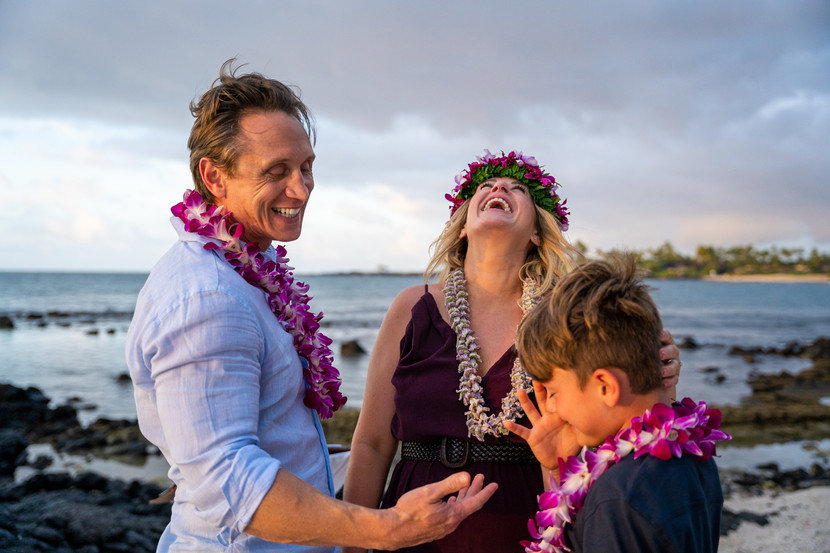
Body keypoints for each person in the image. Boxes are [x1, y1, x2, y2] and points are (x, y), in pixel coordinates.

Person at [125, 60, 497, 553]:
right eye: (276, 171)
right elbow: (227, 481)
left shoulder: (245, 272)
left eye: (306, 167)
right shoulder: (209, 297)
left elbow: (254, 437)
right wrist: (388, 528)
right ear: (214, 176)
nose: (301, 189)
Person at [342, 151, 683, 552]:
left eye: (518, 188)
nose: (499, 186)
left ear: (537, 232)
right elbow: (372, 444)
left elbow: (617, 420)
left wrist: (659, 381)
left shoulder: (567, 317)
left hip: (528, 525)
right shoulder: (411, 307)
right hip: (414, 526)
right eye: (485, 186)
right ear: (462, 227)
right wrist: (354, 544)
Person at [507, 254, 727, 553]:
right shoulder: (693, 454)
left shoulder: (618, 498)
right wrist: (558, 471)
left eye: (554, 392)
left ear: (606, 387)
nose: (553, 408)